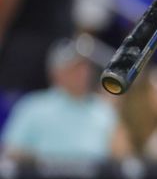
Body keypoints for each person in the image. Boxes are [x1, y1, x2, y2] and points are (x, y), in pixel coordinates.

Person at [0, 36, 130, 162]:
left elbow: (122, 157)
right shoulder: (33, 106)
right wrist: (38, 161)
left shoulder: (104, 109)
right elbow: (10, 152)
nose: (83, 73)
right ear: (56, 72)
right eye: (75, 68)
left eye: (85, 67)